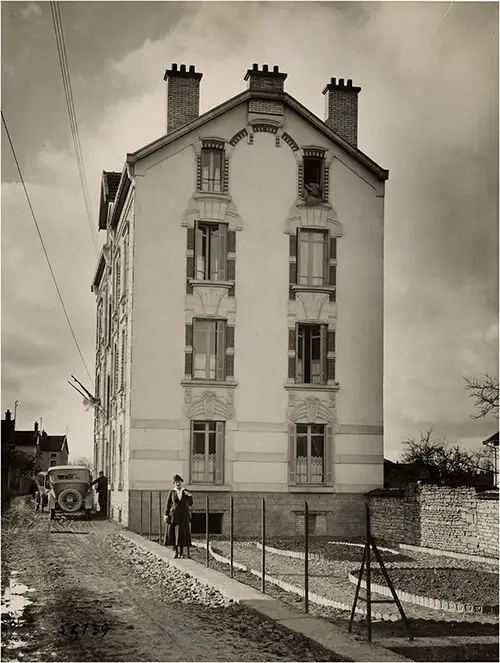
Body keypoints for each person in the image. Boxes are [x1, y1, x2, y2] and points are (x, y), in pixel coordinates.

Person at [163, 475, 193, 558]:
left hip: (183, 515)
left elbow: (190, 504)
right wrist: (166, 514)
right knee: (174, 534)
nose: (178, 483)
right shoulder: (172, 492)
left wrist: (189, 496)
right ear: (174, 483)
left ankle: (181, 553)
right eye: (176, 482)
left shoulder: (185, 491)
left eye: (179, 481)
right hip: (174, 516)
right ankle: (176, 552)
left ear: (181, 482)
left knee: (182, 533)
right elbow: (168, 504)